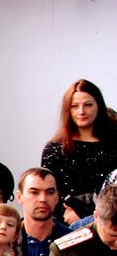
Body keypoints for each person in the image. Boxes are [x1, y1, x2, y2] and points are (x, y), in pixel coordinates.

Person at [40, 79, 117, 224]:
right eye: (74, 106)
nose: (81, 111)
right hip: (66, 225)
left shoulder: (114, 146)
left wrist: (84, 211)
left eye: (88, 105)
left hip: (109, 222)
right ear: (67, 110)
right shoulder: (54, 148)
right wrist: (67, 212)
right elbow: (47, 191)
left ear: (99, 106)